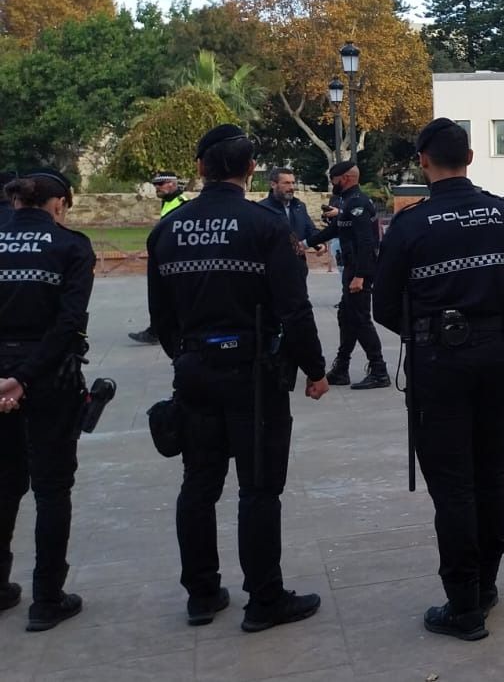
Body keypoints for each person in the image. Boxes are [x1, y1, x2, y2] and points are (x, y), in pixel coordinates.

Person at [147, 124, 331, 633]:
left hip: (196, 372)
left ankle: (202, 593)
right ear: (251, 170)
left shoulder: (168, 229)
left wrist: (185, 358)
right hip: (253, 373)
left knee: (199, 483)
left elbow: (159, 316)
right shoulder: (266, 227)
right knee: (258, 490)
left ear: (201, 169)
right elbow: (294, 310)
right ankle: (264, 598)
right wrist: (315, 369)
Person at [373, 118, 504, 642]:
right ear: (469, 156)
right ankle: (486, 584)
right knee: (490, 474)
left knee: (453, 486)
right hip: (502, 358)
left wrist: (432, 332)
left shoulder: (411, 225)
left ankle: (464, 603)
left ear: (423, 161)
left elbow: (383, 306)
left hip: (441, 365)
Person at [0, 169, 95, 632]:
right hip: (48, 376)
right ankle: (47, 597)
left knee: (3, 481)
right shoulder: (71, 246)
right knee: (52, 488)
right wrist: (23, 377)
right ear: (59, 204)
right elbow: (68, 322)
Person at [307, 161, 388, 390]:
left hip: (358, 271)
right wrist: (305, 243)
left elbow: (365, 241)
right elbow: (335, 230)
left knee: (360, 319)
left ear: (345, 178)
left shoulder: (358, 203)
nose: (331, 183)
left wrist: (360, 276)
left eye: (333, 178)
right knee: (347, 316)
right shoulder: (349, 204)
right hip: (352, 269)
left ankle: (379, 370)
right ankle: (341, 368)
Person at [129, 172, 188, 344]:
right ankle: (156, 329)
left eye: (160, 184)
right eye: (155, 184)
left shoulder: (181, 203)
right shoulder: (168, 202)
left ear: (171, 184)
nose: (157, 188)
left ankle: (158, 332)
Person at [260, 168, 320, 275]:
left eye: (293, 183)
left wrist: (319, 243)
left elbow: (310, 230)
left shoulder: (299, 207)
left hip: (298, 269)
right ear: (273, 184)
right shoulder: (261, 209)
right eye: (286, 183)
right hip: (272, 270)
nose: (292, 187)